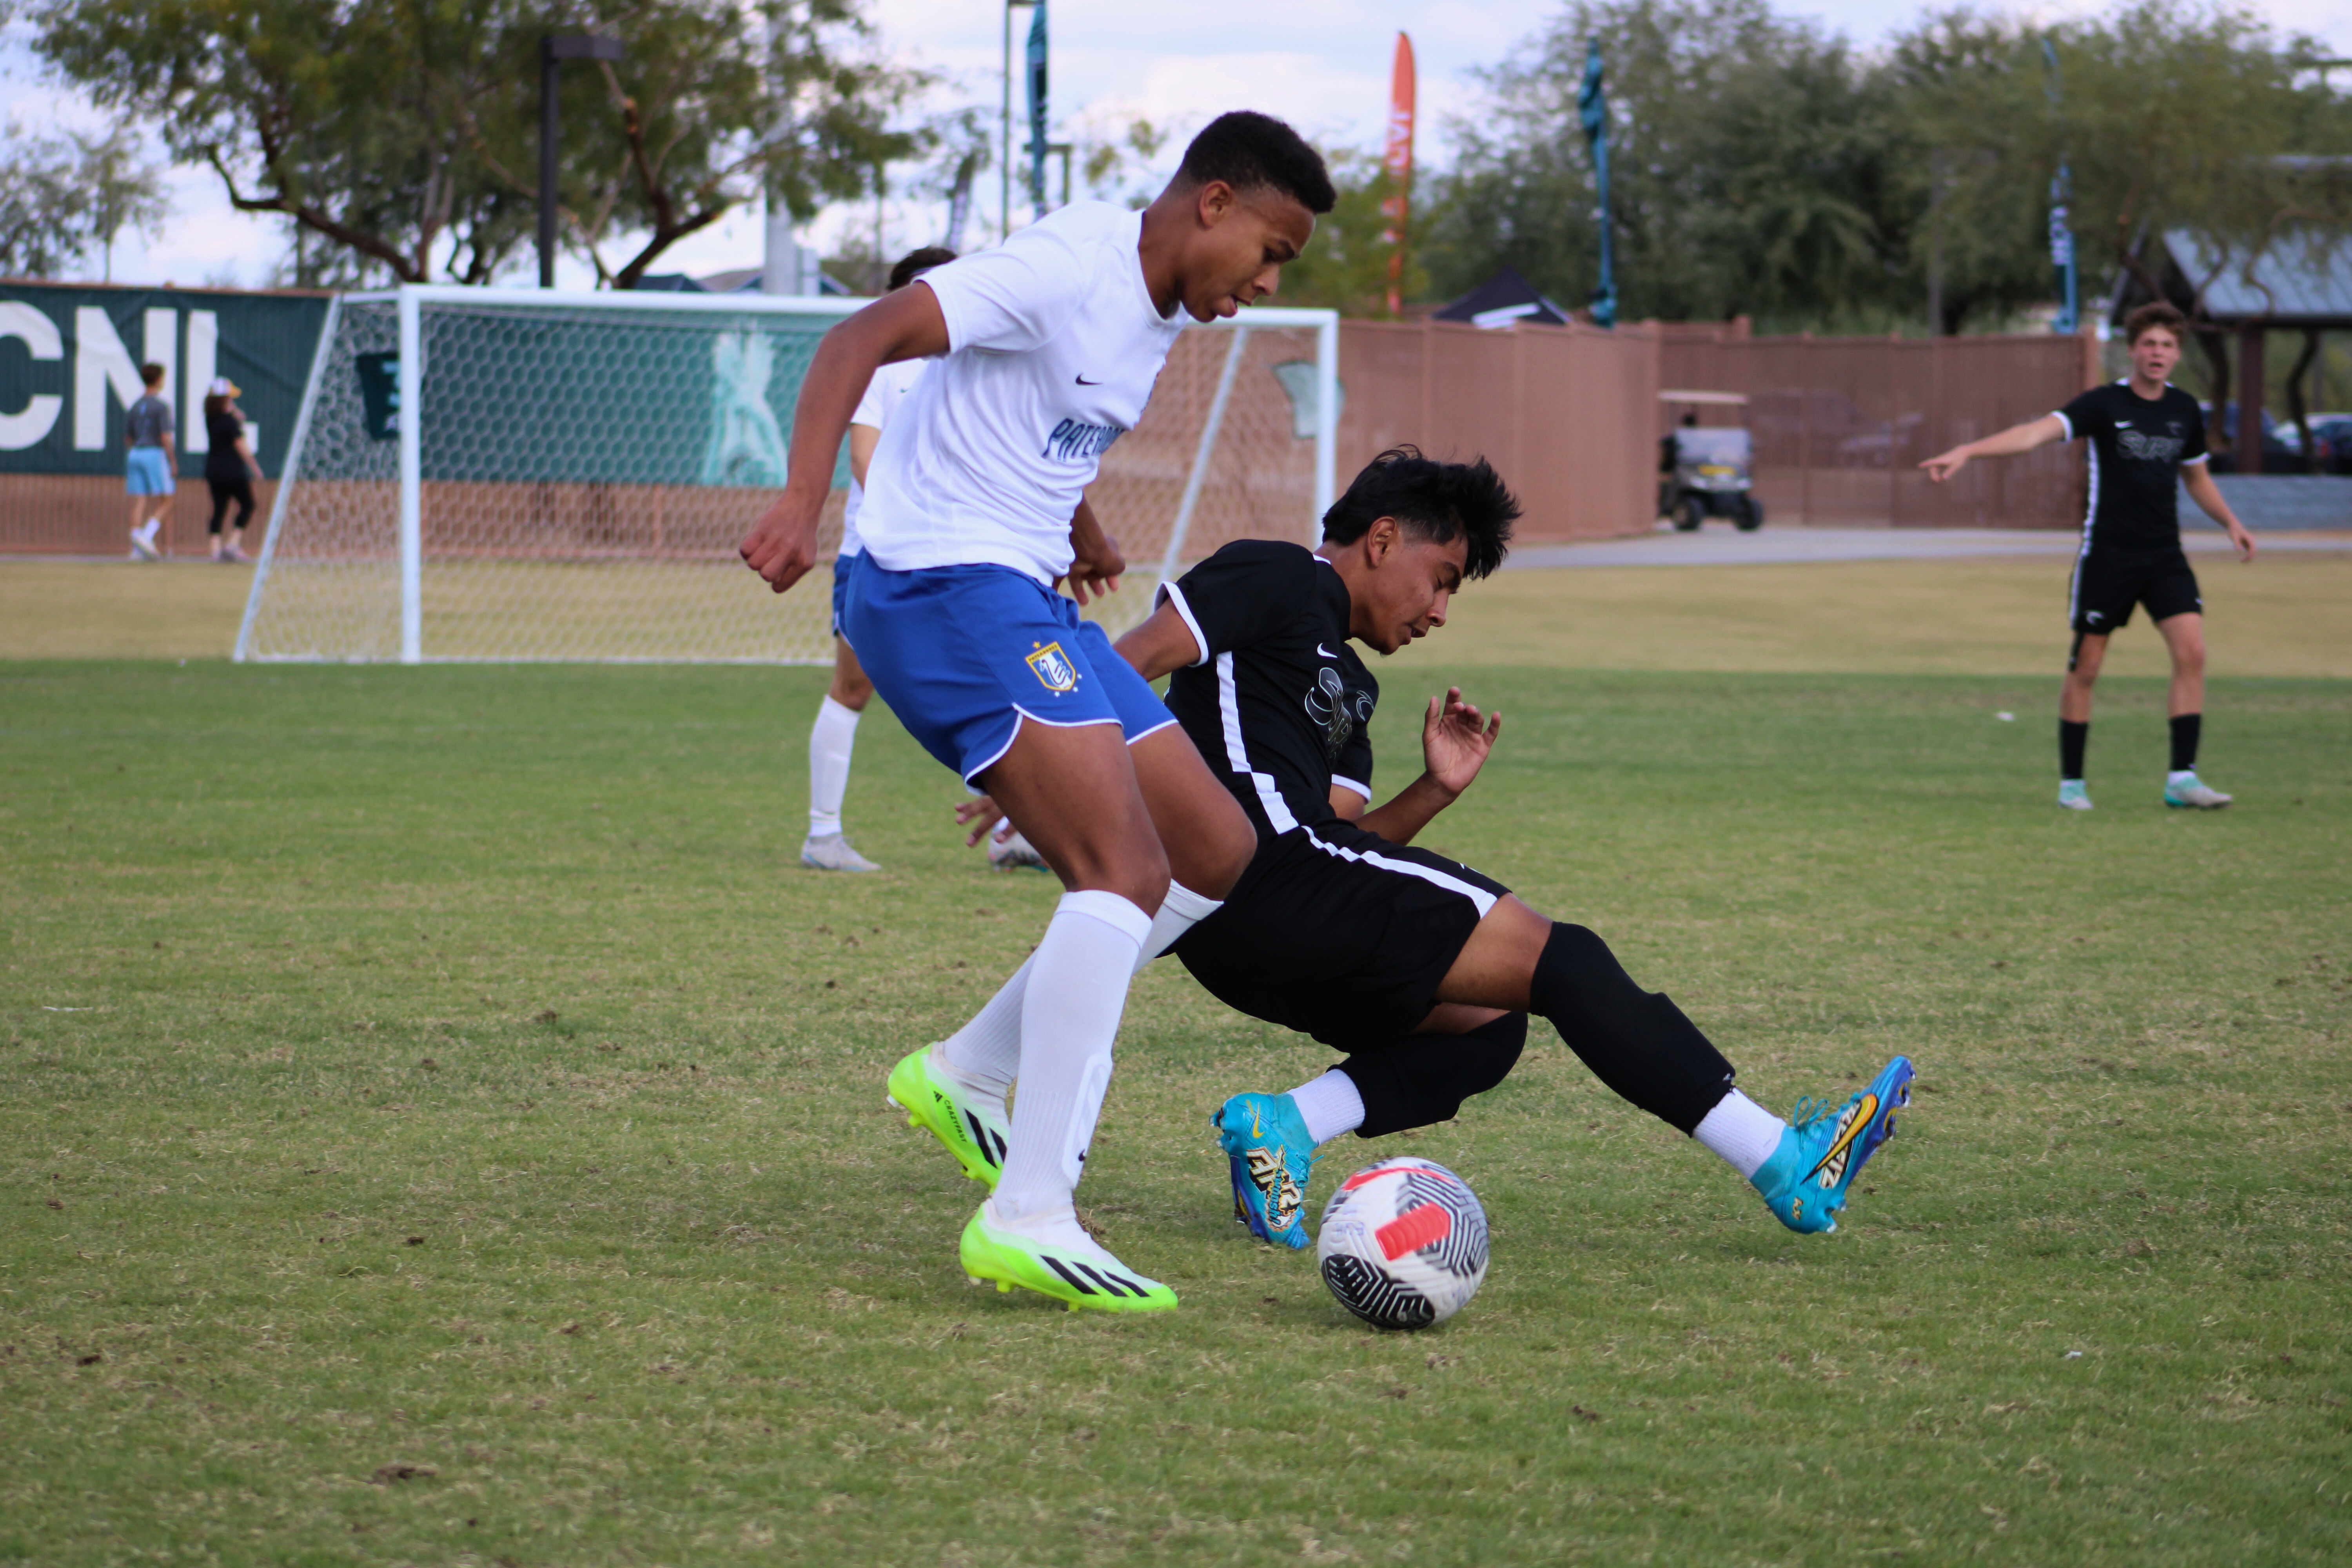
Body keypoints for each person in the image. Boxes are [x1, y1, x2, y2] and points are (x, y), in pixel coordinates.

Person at [739, 112, 1337, 1312]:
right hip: (928, 584)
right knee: (1115, 869)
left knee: (1212, 848)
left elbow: (1032, 428)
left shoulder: (1163, 314)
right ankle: (1027, 1209)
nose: (1268, 284)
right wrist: (804, 502)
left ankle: (969, 1070)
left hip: (1021, 590)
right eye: (1269, 252)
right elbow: (864, 334)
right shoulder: (1068, 266)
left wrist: (1083, 529)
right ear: (1210, 203)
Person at [1126, 448, 1913, 1249]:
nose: (1439, 611)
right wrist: (1056, 779)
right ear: (1384, 538)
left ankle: (1283, 1126)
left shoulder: (1353, 695)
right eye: (1442, 578)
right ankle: (1785, 1159)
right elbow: (1128, 660)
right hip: (1248, 879)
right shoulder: (1280, 574)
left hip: (1262, 922)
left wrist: (1434, 790)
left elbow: (1346, 849)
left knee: (1486, 1022)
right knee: (1564, 960)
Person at [1920, 301, 2256, 810]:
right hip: (2109, 557)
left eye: (2167, 345)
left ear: (2177, 353)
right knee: (2088, 668)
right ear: (2132, 350)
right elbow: (2033, 435)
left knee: (2193, 654)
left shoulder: (2185, 410)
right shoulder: (2103, 404)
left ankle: (2182, 780)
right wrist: (1968, 451)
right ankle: (2072, 784)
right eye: (2148, 344)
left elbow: (2197, 476)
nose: (2157, 353)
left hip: (2165, 555)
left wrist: (2231, 522)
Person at [800, 246, 958, 875]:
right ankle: (822, 836)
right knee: (854, 686)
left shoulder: (970, 367)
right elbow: (865, 459)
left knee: (979, 682)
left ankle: (1008, 833)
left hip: (956, 556)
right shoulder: (880, 367)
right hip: (877, 555)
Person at [201, 379, 261, 563]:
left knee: (219, 508)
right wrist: (254, 467)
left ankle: (215, 549)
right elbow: (240, 445)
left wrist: (234, 414)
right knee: (248, 504)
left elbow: (228, 416)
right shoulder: (229, 423)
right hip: (232, 471)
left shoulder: (211, 419)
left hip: (214, 470)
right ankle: (233, 544)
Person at [124, 363, 175, 561]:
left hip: (135, 453)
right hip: (153, 452)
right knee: (168, 499)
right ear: (158, 379)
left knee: (140, 499)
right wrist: (172, 461)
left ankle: (136, 549)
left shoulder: (135, 406)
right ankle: (146, 537)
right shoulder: (162, 406)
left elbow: (128, 438)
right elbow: (166, 437)